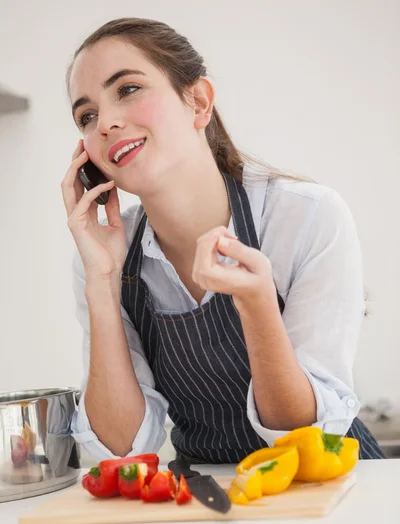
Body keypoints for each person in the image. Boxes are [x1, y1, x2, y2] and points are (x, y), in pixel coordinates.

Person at [62, 17, 384, 463]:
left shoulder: (306, 217)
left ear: (197, 101)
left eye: (128, 89)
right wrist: (102, 284)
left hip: (331, 487)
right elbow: (120, 447)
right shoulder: (105, 257)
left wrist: (257, 306)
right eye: (87, 115)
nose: (106, 123)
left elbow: (301, 434)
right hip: (211, 500)